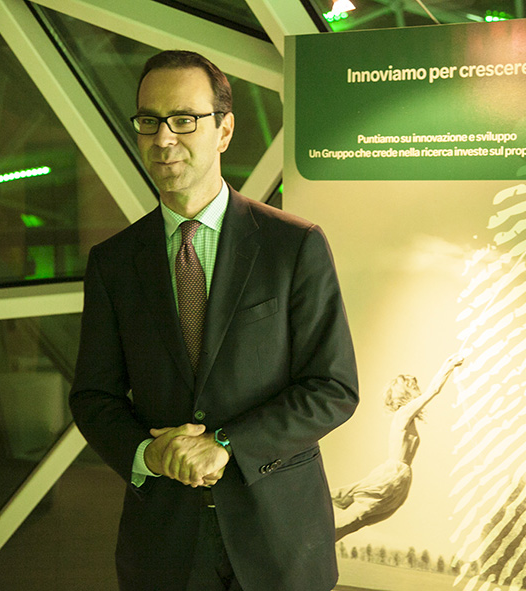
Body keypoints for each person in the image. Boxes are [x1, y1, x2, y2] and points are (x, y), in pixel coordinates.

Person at [69, 50, 358, 591]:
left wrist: (224, 444)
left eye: (184, 119)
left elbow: (333, 387)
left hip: (280, 537)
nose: (163, 138)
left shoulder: (293, 245)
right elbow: (94, 396)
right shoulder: (114, 262)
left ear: (224, 130)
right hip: (164, 542)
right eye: (149, 121)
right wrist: (149, 453)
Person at [331, 353, 462, 539]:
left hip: (401, 476)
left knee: (360, 521)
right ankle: (313, 536)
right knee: (357, 514)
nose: (417, 389)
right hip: (393, 473)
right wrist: (448, 365)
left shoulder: (406, 416)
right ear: (405, 392)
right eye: (413, 386)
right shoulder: (404, 413)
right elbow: (433, 391)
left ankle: (321, 543)